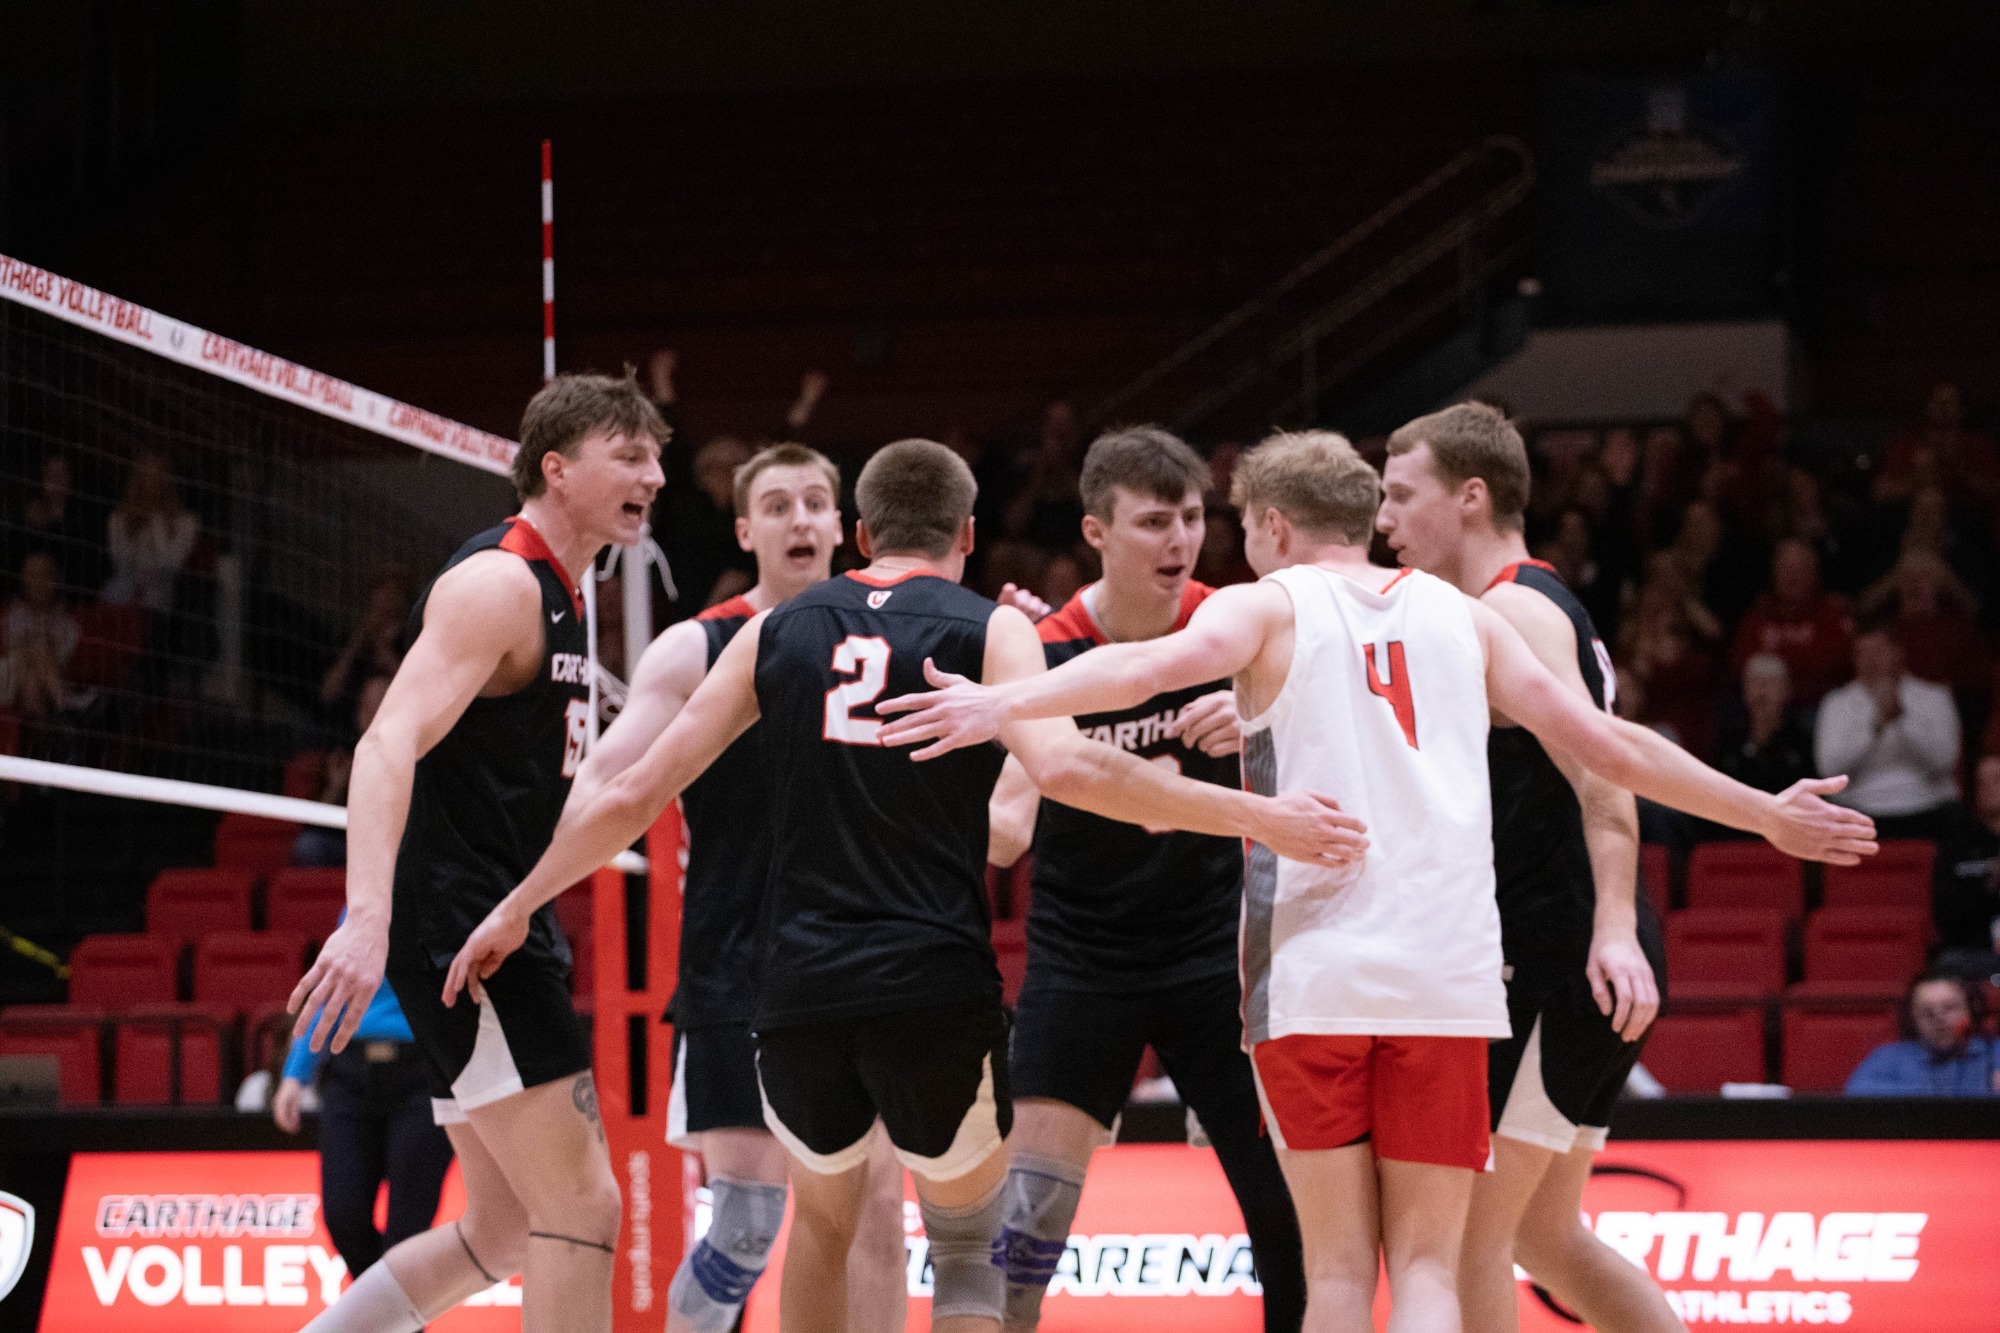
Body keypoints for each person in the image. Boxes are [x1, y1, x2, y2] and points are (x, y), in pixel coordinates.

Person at [874, 430, 1875, 1333]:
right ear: (1361, 516)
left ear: (1269, 524)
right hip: (1445, 980)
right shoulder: (1468, 618)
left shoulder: (1262, 606)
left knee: (1339, 1271)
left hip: (1311, 975)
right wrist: (1761, 811)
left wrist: (1003, 698)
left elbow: (1139, 670)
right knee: (1430, 1269)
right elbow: (1604, 745)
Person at [443, 437, 1367, 1333]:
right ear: (968, 534)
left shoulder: (770, 631)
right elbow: (1073, 775)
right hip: (932, 985)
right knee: (966, 1246)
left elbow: (638, 789)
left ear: (857, 533)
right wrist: (1261, 814)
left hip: (799, 990)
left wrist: (521, 903)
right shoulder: (996, 627)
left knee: (822, 1227)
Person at [285, 371, 668, 1333]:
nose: (656, 475)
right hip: (469, 929)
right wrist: (366, 916)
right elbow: (383, 742)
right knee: (587, 1208)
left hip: (492, 920)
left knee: (498, 1232)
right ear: (557, 466)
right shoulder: (501, 582)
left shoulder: (567, 593)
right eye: (630, 455)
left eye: (656, 455)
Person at [579, 442, 908, 1333]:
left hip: (861, 971)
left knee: (879, 1212)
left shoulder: (891, 636)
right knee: (750, 1225)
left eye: (815, 503)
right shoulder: (700, 645)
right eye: (778, 505)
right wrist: (520, 878)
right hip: (738, 971)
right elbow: (607, 776)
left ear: (845, 526)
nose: (800, 520)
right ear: (745, 528)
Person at [984, 427, 1305, 1333]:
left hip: (1220, 960)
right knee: (1028, 1228)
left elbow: (1337, 782)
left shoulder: (1237, 628)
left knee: (1285, 1208)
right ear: (1097, 531)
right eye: (1154, 521)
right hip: (1083, 959)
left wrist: (1260, 725)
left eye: (1195, 517)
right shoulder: (1048, 648)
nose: (1180, 540)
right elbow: (1005, 837)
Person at [1372, 403, 1677, 1333]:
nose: (1383, 520)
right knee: (1546, 1235)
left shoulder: (1515, 608)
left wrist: (1615, 928)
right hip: (1563, 944)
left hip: (1569, 949)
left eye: (1398, 495)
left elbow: (1607, 779)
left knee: (1469, 1239)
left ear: (1470, 496)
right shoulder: (1509, 602)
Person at [275, 950, 456, 1282]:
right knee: (343, 1216)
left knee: (408, 1234)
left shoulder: (450, 905)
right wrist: (295, 1073)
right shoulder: (357, 906)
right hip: (350, 1072)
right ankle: (394, 1317)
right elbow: (330, 991)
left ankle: (388, 1318)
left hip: (425, 1072)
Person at [1814, 623, 1963, 841]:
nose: (1871, 660)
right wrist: (1876, 726)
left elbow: (1944, 761)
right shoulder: (1837, 703)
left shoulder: (1935, 697)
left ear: (1898, 652)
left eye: (1878, 651)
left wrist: (1901, 718)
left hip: (1929, 807)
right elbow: (1829, 768)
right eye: (1862, 653)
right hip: (1857, 808)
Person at [1729, 540, 1854, 713]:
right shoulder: (1757, 616)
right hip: (1761, 708)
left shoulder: (1831, 614)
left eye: (1799, 569)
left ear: (1814, 573)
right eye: (1785, 568)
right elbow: (1741, 664)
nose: (1791, 575)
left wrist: (1778, 661)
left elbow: (1831, 663)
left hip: (1815, 707)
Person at [1845, 970, 1999, 1097]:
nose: (1939, 1019)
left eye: (1949, 1008)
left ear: (1971, 1011)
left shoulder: (1994, 1052)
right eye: (1927, 1012)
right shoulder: (1888, 1057)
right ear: (1913, 1018)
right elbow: (1856, 1093)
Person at [293, 675, 394, 869]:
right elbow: (314, 820)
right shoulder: (340, 751)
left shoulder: (406, 749)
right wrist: (337, 784)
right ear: (361, 709)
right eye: (372, 702)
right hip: (343, 841)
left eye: (384, 698)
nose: (378, 707)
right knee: (308, 846)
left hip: (386, 843)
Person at [103, 450, 198, 612]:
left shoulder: (186, 522)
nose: (152, 483)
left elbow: (171, 565)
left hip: (166, 599)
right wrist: (135, 530)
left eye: (158, 475)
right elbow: (120, 564)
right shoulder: (118, 519)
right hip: (124, 595)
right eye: (146, 475)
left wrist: (157, 524)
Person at [1713, 655, 1816, 800]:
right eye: (1754, 683)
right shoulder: (1728, 740)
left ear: (1786, 691)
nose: (1761, 693)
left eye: (1770, 684)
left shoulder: (1802, 743)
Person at [1933, 755, 2000, 959]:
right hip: (1969, 954)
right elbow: (1945, 915)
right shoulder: (1957, 846)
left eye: (1997, 780)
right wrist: (1990, 885)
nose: (1988, 788)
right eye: (1982, 782)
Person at [1, 551, 80, 720]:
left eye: (45, 575)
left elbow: (61, 664)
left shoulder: (68, 625)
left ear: (58, 580)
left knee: (31, 682)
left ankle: (46, 731)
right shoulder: (14, 617)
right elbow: (14, 653)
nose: (39, 582)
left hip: (36, 681)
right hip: (7, 677)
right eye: (32, 575)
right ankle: (64, 705)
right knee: (33, 652)